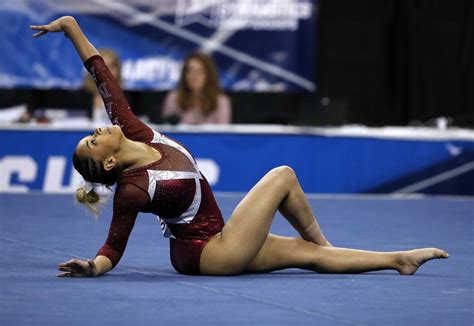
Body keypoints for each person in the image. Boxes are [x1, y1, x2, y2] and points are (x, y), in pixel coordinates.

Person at [30, 16, 448, 278]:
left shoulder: (135, 131)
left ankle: (398, 259)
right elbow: (114, 245)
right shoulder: (134, 189)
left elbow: (103, 76)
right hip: (208, 254)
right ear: (108, 161)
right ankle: (328, 247)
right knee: (282, 176)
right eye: (92, 141)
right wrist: (93, 266)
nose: (99, 131)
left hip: (221, 238)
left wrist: (70, 27)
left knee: (308, 256)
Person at [161, 52, 232, 125]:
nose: (194, 75)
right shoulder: (173, 98)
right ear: (184, 74)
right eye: (190, 70)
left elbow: (223, 133)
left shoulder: (221, 101)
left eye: (200, 71)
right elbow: (166, 130)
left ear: (209, 74)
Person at [83, 48, 122, 124]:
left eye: (111, 67)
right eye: (102, 67)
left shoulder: (129, 99)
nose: (106, 71)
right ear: (92, 69)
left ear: (118, 70)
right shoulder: (80, 97)